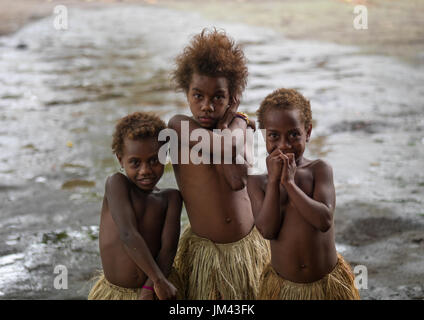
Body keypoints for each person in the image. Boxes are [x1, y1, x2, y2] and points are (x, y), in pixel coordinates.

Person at [168, 28, 270, 300]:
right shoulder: (179, 127)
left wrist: (229, 124)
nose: (207, 107)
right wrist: (227, 124)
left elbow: (237, 181)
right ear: (186, 92)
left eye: (218, 98)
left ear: (232, 97)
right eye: (198, 96)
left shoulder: (240, 125)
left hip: (246, 247)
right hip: (206, 254)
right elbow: (225, 147)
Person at [248, 88, 360, 300]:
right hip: (283, 288)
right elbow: (267, 230)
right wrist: (274, 182)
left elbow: (324, 220)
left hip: (326, 284)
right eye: (274, 135)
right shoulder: (257, 182)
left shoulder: (319, 170)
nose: (284, 144)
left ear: (307, 133)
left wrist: (289, 184)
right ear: (264, 136)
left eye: (294, 134)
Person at [88, 112, 183, 300]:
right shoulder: (116, 184)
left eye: (154, 160)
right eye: (135, 163)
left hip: (156, 290)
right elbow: (128, 234)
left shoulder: (171, 198)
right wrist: (157, 279)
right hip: (119, 291)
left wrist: (150, 288)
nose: (145, 170)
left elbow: (168, 249)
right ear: (120, 159)